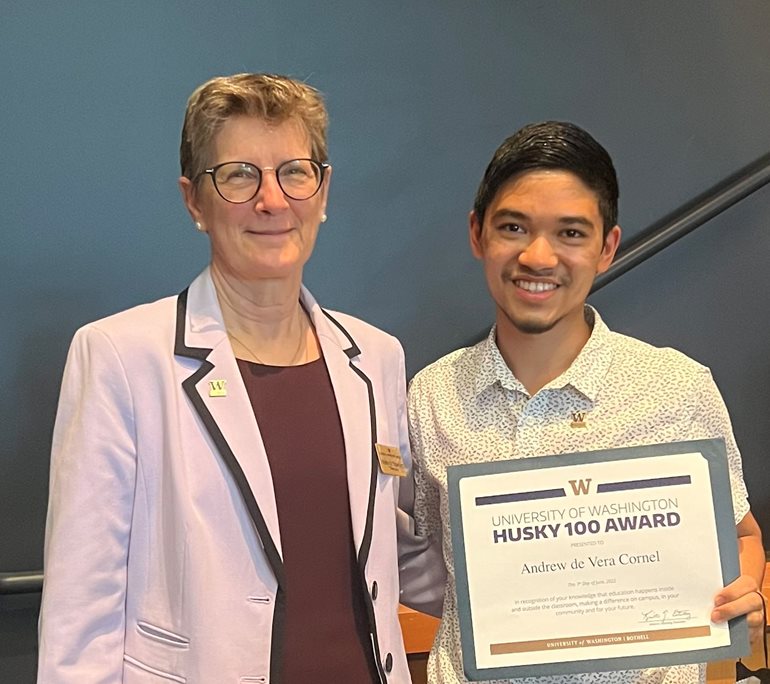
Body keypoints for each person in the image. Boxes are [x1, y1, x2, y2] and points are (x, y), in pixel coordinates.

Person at [38, 72, 425, 683]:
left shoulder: (376, 356)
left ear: (323, 192)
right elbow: (80, 614)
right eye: (239, 175)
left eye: (294, 172)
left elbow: (396, 551)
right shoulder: (119, 356)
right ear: (195, 201)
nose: (272, 201)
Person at [407, 121, 765, 683]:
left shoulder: (676, 385)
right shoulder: (431, 396)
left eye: (571, 233)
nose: (539, 256)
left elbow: (742, 537)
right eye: (513, 227)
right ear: (478, 234)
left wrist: (744, 592)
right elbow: (432, 563)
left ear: (608, 248)